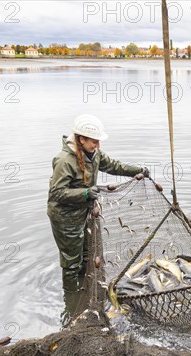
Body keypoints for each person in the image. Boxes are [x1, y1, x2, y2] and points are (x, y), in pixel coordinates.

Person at [47, 114, 148, 326]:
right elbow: (57, 193)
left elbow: (114, 166)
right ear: (81, 140)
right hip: (65, 217)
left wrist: (138, 171)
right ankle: (71, 303)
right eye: (94, 141)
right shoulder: (65, 161)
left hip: (83, 212)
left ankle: (86, 294)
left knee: (86, 256)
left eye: (98, 141)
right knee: (71, 262)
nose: (98, 144)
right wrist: (85, 194)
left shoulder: (94, 154)